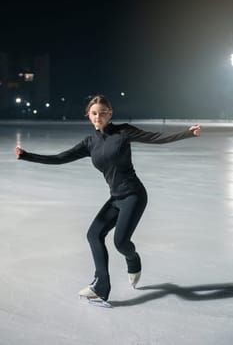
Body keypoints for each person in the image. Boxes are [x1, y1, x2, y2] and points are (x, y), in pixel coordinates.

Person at [15, 95, 201, 302]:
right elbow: (60, 158)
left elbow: (155, 137)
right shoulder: (90, 143)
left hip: (134, 195)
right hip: (116, 198)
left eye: (102, 113)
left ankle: (133, 259)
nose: (98, 117)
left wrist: (187, 133)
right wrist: (27, 155)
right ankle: (101, 285)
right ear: (89, 115)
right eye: (94, 113)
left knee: (121, 243)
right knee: (94, 234)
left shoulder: (123, 132)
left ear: (110, 113)